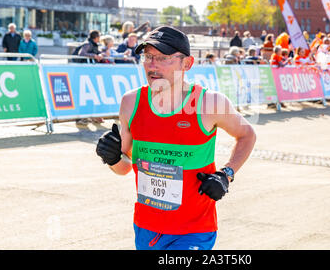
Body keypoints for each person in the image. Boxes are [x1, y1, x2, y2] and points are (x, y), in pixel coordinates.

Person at [95, 25, 256, 250]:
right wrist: (111, 157)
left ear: (187, 64)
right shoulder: (131, 103)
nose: (152, 64)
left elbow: (247, 135)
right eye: (148, 56)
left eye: (163, 58)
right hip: (146, 227)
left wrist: (226, 175)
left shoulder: (209, 103)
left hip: (195, 230)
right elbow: (125, 167)